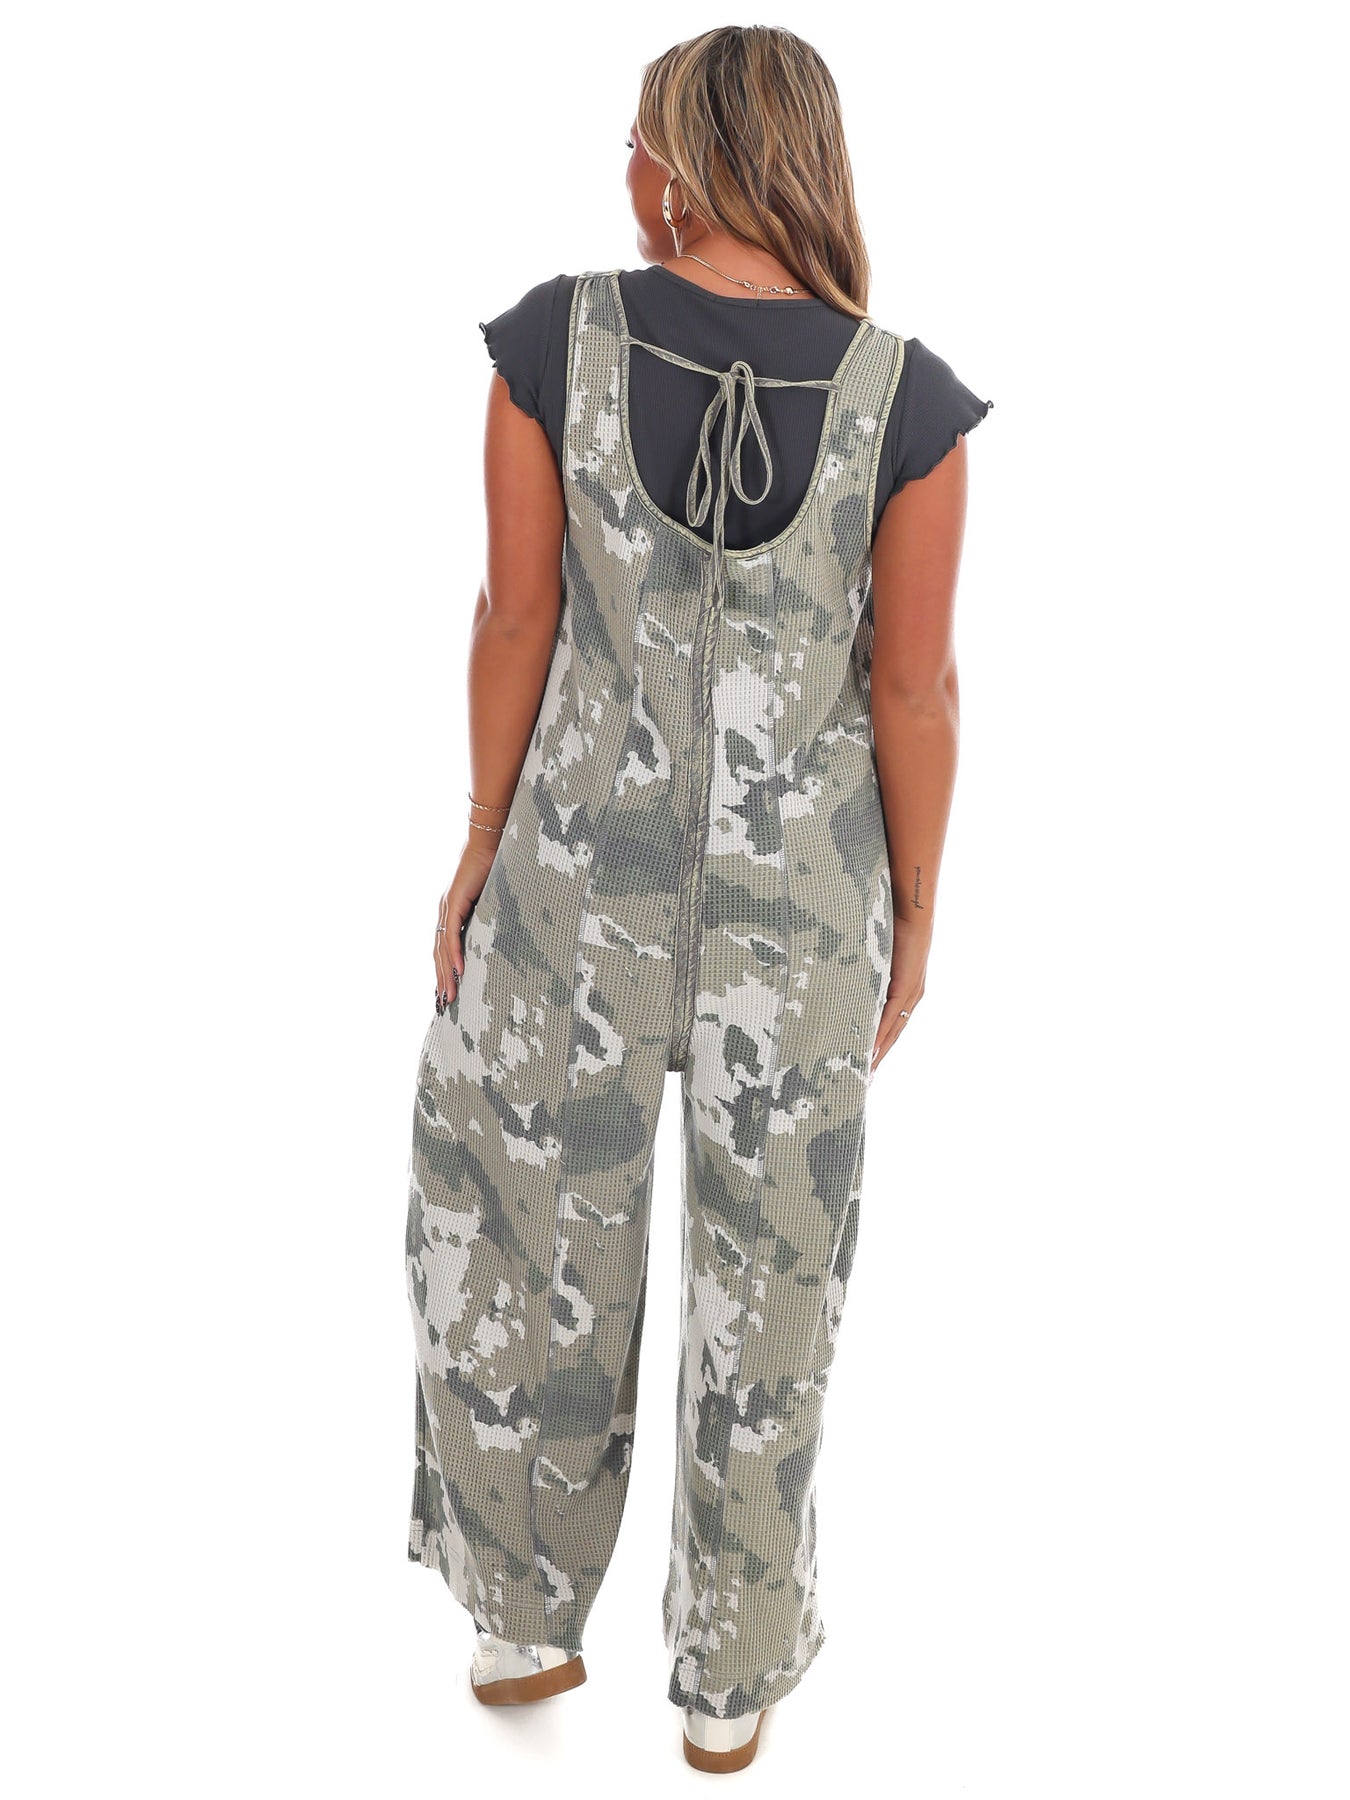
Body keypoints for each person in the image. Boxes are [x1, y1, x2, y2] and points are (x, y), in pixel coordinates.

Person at [404, 24, 993, 1775]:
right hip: (797, 927)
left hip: (571, 890)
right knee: (771, 1292)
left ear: (690, 161)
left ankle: (522, 1625)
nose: (625, 171)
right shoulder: (904, 402)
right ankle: (728, 1689)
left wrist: (477, 841)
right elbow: (912, 692)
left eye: (639, 141)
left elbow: (515, 621)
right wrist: (917, 906)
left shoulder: (554, 344)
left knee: (526, 1235)